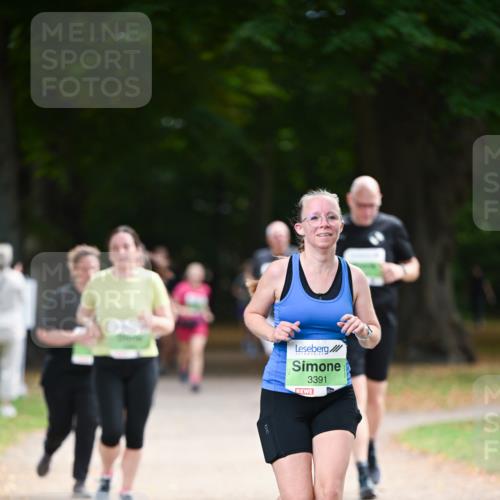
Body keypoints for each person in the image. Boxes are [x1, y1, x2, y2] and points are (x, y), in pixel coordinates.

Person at [244, 189, 381, 500]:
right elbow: (252, 314)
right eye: (315, 217)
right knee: (299, 496)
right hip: (283, 395)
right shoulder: (279, 272)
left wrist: (363, 330)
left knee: (330, 493)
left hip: (335, 396)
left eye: (331, 216)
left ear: (340, 226)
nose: (324, 223)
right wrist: (272, 332)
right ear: (300, 228)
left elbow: (374, 334)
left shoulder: (354, 277)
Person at [77, 226, 175, 500]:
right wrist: (91, 324)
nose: (121, 252)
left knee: (135, 431)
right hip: (107, 361)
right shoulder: (98, 281)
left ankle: (126, 489)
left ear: (137, 250)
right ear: (110, 252)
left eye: (126, 246)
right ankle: (107, 475)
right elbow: (82, 314)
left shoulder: (151, 281)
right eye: (116, 247)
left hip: (142, 363)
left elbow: (168, 323)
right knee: (111, 429)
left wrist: (151, 321)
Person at [336, 176, 420, 496]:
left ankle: (369, 446)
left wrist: (398, 271)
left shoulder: (391, 226)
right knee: (356, 397)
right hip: (347, 323)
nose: (368, 211)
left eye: (373, 204)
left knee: (376, 395)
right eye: (361, 205)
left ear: (380, 200)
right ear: (349, 200)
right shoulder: (337, 228)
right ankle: (361, 472)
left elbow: (413, 265)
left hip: (383, 319)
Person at [35, 245, 101, 498]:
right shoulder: (58, 297)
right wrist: (74, 337)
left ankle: (80, 481)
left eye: (94, 268)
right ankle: (49, 450)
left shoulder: (106, 300)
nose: (88, 273)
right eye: (83, 269)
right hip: (59, 374)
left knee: (89, 423)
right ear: (73, 270)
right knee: (60, 425)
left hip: (92, 375)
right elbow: (42, 334)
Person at [251, 221, 298, 356]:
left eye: (282, 236)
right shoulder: (260, 257)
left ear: (288, 237)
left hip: (292, 312)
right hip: (268, 314)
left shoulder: (298, 255)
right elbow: (254, 282)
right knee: (273, 351)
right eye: (275, 236)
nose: (279, 239)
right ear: (268, 239)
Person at [172, 262, 214, 392]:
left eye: (199, 272)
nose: (196, 275)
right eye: (193, 273)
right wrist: (185, 311)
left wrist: (208, 314)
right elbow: (174, 306)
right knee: (185, 352)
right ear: (188, 274)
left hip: (199, 325)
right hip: (184, 325)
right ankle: (183, 368)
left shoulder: (206, 289)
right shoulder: (181, 288)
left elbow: (205, 307)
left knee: (197, 351)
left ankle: (195, 380)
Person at [0, 243, 27, 418]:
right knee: (10, 365)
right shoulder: (17, 278)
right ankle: (6, 403)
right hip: (12, 327)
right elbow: (24, 299)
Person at [149, 246, 178, 374]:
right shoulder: (150, 273)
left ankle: (165, 362)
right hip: (152, 310)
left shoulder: (171, 276)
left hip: (168, 309)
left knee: (169, 341)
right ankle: (158, 363)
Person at [469, 264, 496, 329]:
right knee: (475, 309)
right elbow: (469, 288)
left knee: (480, 309)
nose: (474, 272)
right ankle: (476, 322)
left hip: (480, 296)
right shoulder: (473, 279)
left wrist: (490, 296)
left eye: (475, 270)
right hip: (474, 296)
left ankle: (481, 322)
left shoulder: (482, 278)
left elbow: (487, 287)